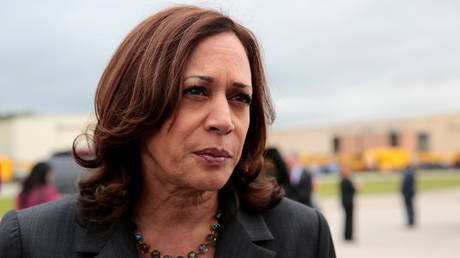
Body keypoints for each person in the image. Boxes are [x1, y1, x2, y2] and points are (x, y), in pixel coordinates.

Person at [0, 6, 336, 258]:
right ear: (134, 104)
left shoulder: (303, 236)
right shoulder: (30, 241)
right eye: (195, 91)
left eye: (239, 98)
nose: (224, 120)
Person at [339, 164, 356, 241]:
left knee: (347, 219)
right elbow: (353, 190)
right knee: (349, 219)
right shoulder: (347, 180)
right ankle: (349, 235)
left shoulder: (342, 180)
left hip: (344, 201)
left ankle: (347, 235)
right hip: (348, 201)